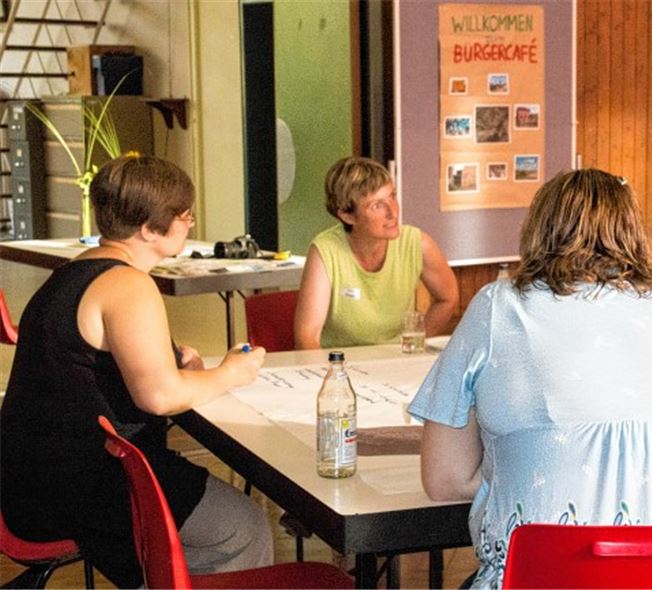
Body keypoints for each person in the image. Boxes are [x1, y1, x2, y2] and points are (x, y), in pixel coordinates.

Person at [408, 169, 652, 588]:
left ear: (537, 229)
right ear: (634, 232)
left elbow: (444, 481)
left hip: (554, 577)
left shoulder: (501, 306)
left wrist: (540, 464)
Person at [0, 155, 273, 588]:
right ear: (149, 228)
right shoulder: (129, 284)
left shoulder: (73, 272)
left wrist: (180, 369)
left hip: (30, 478)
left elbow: (102, 370)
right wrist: (231, 373)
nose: (190, 221)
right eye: (183, 214)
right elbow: (158, 397)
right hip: (84, 484)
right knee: (242, 527)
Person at [294, 156, 458, 349]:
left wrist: (415, 342)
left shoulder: (418, 243)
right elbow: (307, 336)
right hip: (342, 365)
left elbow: (448, 298)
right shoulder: (325, 251)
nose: (393, 212)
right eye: (377, 205)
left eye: (392, 196)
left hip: (396, 363)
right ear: (347, 216)